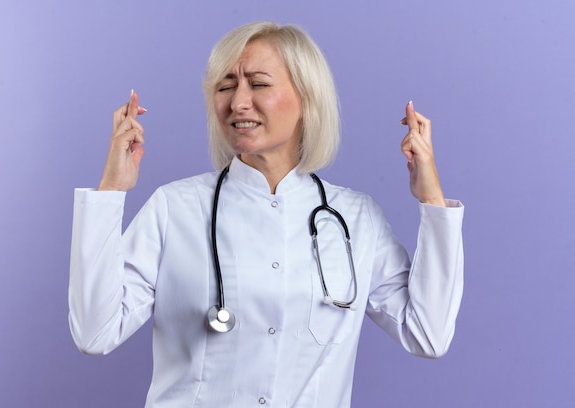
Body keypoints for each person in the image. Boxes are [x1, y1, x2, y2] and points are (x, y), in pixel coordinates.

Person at [69, 21, 464, 407]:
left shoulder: (356, 219)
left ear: (307, 99)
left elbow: (427, 334)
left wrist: (431, 199)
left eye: (258, 84)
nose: (238, 102)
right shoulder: (175, 208)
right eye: (225, 86)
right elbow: (95, 332)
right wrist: (111, 190)